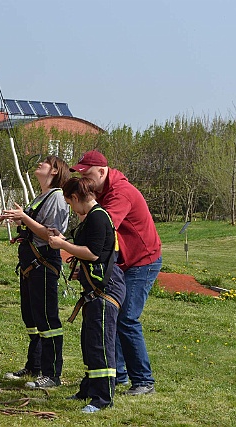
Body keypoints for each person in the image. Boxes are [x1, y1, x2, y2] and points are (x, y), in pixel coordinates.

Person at [71, 150, 162, 396]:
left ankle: (144, 381)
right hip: (123, 263)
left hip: (142, 262)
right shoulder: (103, 191)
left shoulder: (120, 194)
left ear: (102, 172)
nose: (85, 181)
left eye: (86, 175)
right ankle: (118, 374)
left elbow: (102, 231)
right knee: (114, 315)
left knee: (126, 318)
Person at [48, 177, 125, 413]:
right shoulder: (93, 217)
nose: (71, 208)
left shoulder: (98, 217)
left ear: (75, 198)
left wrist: (62, 245)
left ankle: (102, 398)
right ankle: (89, 389)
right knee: (90, 343)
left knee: (100, 345)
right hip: (95, 288)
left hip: (106, 290)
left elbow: (92, 253)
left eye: (70, 204)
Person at [0, 155, 71, 389]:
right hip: (30, 266)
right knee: (32, 318)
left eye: (45, 163)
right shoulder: (42, 196)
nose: (40, 164)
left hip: (44, 265)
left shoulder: (57, 197)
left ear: (55, 171)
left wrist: (24, 218)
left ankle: (52, 374)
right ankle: (34, 365)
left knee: (48, 319)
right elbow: (34, 230)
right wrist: (17, 223)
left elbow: (51, 236)